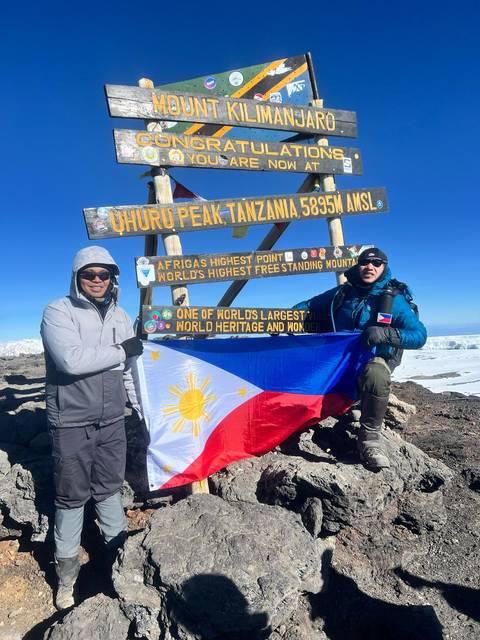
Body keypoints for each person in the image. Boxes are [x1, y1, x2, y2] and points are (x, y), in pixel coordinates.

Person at [40, 246, 144, 610]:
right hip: (70, 422)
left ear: (113, 278)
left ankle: (119, 563)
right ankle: (66, 579)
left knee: (110, 491)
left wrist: (142, 410)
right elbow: (70, 361)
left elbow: (129, 372)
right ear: (76, 277)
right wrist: (122, 349)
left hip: (113, 420)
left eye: (104, 275)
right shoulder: (58, 311)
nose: (97, 281)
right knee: (70, 498)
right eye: (89, 274)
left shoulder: (121, 315)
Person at [294, 247, 427, 471]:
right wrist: (282, 321)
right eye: (366, 262)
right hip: (339, 359)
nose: (370, 267)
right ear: (358, 264)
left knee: (376, 373)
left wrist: (386, 334)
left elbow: (419, 335)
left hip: (373, 359)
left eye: (377, 263)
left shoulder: (392, 299)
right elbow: (309, 305)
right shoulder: (343, 293)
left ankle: (370, 440)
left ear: (384, 267)